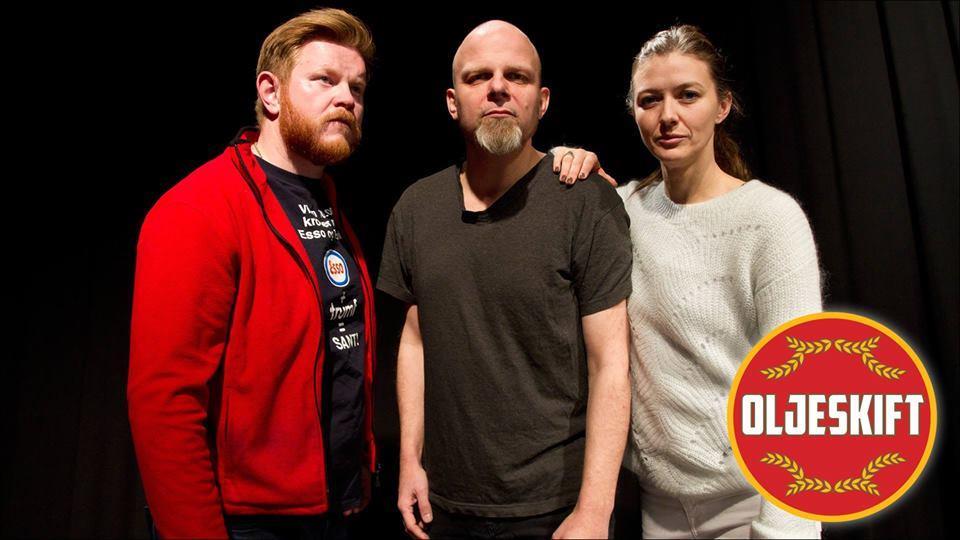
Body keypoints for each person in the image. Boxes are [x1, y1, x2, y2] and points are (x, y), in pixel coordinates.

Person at [128, 9, 380, 538]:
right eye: (324, 79)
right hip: (246, 523)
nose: (346, 98)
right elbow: (165, 404)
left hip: (336, 510)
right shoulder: (198, 210)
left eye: (356, 87)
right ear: (270, 92)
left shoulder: (330, 209)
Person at [377, 20, 633, 540]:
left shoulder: (585, 202)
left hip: (556, 508)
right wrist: (409, 460)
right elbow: (415, 341)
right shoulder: (415, 208)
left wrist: (595, 509)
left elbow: (611, 363)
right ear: (453, 102)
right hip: (443, 506)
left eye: (516, 76)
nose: (498, 87)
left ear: (542, 102)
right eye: (478, 77)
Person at [579, 24, 823, 538]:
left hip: (751, 501)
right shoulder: (622, 211)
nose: (668, 115)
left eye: (688, 95)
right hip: (659, 508)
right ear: (633, 111)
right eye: (650, 100)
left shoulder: (770, 220)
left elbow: (802, 387)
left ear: (722, 105)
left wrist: (785, 529)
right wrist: (566, 160)